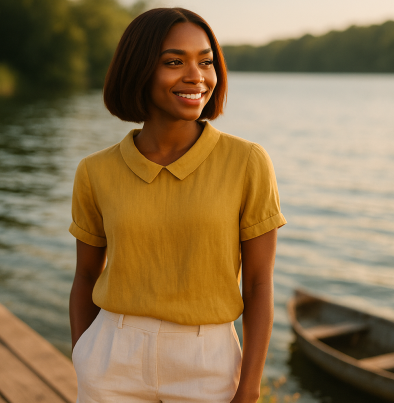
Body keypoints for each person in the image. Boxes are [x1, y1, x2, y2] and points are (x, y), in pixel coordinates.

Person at [69, 7, 286, 403]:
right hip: (111, 358)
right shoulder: (95, 171)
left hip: (207, 362)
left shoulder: (247, 162)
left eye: (206, 62)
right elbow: (85, 276)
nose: (196, 76)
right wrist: (82, 355)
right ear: (138, 70)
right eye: (174, 62)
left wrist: (249, 388)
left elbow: (258, 284)